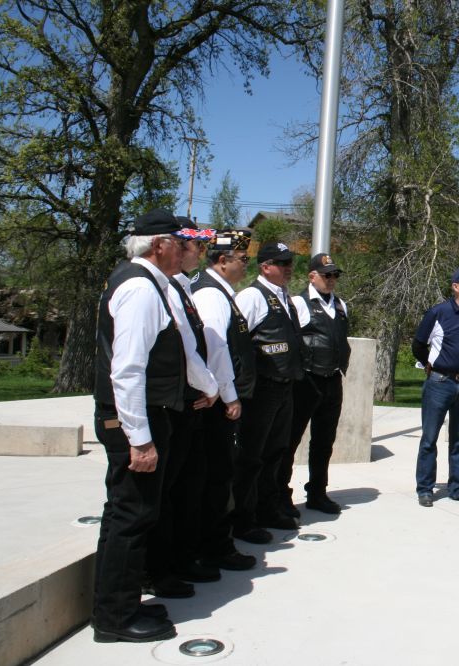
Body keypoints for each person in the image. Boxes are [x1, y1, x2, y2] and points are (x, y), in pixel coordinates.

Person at [91, 209, 204, 643]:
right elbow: (128, 370)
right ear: (159, 245)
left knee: (129, 513)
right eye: (182, 242)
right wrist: (139, 439)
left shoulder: (149, 283)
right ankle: (114, 618)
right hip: (135, 419)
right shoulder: (140, 288)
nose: (188, 249)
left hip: (144, 414)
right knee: (132, 516)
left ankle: (119, 603)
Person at [142, 217, 221, 598]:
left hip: (188, 402)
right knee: (168, 492)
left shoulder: (182, 287)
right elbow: (186, 351)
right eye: (193, 244)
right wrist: (213, 387)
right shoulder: (162, 289)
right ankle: (158, 570)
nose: (199, 252)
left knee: (185, 488)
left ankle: (176, 561)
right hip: (173, 403)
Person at [231, 242, 307, 543]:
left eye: (290, 262)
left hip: (285, 387)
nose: (289, 268)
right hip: (262, 390)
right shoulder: (252, 297)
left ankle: (267, 509)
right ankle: (243, 519)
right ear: (265, 267)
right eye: (282, 263)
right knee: (251, 456)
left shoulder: (284, 297)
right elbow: (236, 342)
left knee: (275, 453)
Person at [190, 229, 256, 571]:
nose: (246, 265)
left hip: (220, 397)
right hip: (216, 403)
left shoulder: (221, 292)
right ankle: (214, 546)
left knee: (220, 473)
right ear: (221, 261)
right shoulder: (211, 295)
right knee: (217, 476)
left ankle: (215, 541)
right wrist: (230, 397)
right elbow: (216, 349)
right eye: (242, 259)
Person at [284, 253, 352, 515]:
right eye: (326, 275)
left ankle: (317, 492)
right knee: (290, 440)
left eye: (335, 275)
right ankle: (281, 494)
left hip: (333, 380)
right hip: (307, 381)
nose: (331, 279)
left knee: (324, 441)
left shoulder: (341, 305)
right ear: (312, 276)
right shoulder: (298, 303)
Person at [411, 267, 459, 507]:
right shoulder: (438, 312)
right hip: (439, 383)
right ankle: (425, 489)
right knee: (429, 438)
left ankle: (458, 488)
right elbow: (418, 345)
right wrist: (429, 365)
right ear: (455, 287)